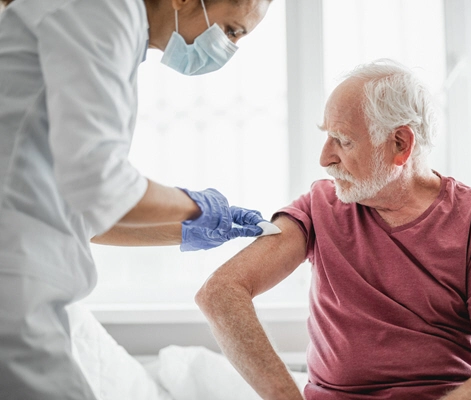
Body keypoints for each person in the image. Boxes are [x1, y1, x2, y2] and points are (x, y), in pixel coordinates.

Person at [196, 59, 471, 400]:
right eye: (327, 137)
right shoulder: (319, 206)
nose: (325, 158)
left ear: (401, 144)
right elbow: (221, 293)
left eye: (342, 141)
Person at [0, 0, 272, 398]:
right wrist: (197, 208)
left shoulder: (117, 30)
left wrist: (186, 229)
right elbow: (100, 184)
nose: (227, 50)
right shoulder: (102, 10)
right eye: (231, 31)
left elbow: (83, 210)